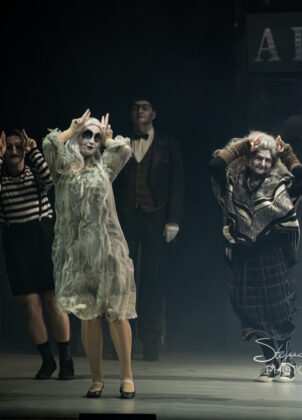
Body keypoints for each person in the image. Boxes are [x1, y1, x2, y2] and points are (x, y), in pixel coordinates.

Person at [43, 110, 137, 399]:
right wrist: (72, 129)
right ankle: (97, 379)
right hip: (79, 255)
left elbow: (125, 150)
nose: (92, 140)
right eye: (88, 134)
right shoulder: (63, 169)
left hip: (108, 252)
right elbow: (48, 145)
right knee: (88, 316)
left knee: (117, 314)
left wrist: (108, 140)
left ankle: (127, 376)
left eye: (96, 137)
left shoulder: (105, 167)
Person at [208, 132, 302, 382]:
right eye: (258, 158)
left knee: (278, 307)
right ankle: (270, 362)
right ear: (248, 158)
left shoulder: (279, 184)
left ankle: (287, 362)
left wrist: (287, 154)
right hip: (244, 252)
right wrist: (243, 146)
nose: (263, 163)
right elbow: (215, 166)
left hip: (272, 253)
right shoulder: (234, 181)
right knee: (250, 307)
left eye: (268, 160)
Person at [113, 97, 184, 361]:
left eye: (144, 107)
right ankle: (125, 339)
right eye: (135, 107)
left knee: (153, 277)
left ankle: (151, 339)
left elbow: (177, 182)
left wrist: (173, 219)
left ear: (154, 114)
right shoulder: (120, 143)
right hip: (126, 215)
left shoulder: (168, 144)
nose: (139, 111)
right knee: (124, 278)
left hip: (156, 215)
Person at [0, 129, 74, 380]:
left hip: (42, 236)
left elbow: (50, 180)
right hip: (15, 241)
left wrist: (33, 151)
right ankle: (47, 361)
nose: (13, 150)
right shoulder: (2, 179)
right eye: (9, 147)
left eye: (17, 146)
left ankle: (66, 359)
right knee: (30, 306)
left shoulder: (34, 173)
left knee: (53, 300)